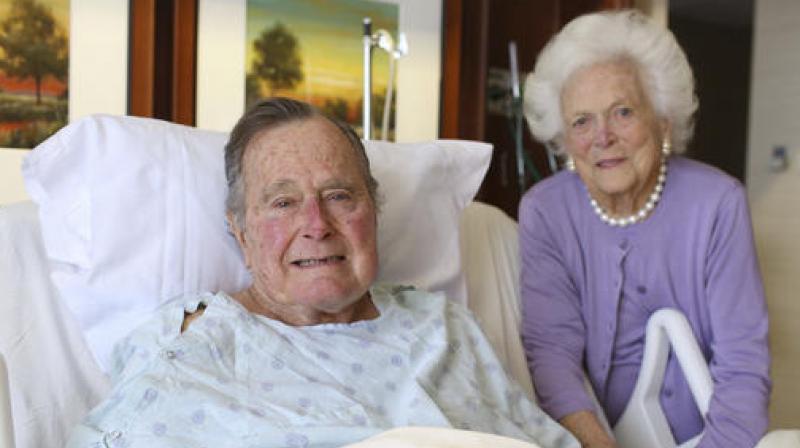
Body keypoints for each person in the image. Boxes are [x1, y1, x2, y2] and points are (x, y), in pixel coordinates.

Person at [66, 98, 578, 448]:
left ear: (372, 212)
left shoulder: (444, 327)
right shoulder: (193, 341)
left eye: (338, 195)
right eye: (284, 202)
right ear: (240, 232)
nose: (316, 224)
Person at [519, 9, 771, 448]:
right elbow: (551, 352)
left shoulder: (717, 203)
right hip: (588, 435)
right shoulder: (545, 211)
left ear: (663, 122)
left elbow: (743, 364)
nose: (602, 137)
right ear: (563, 139)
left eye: (622, 112)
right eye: (581, 121)